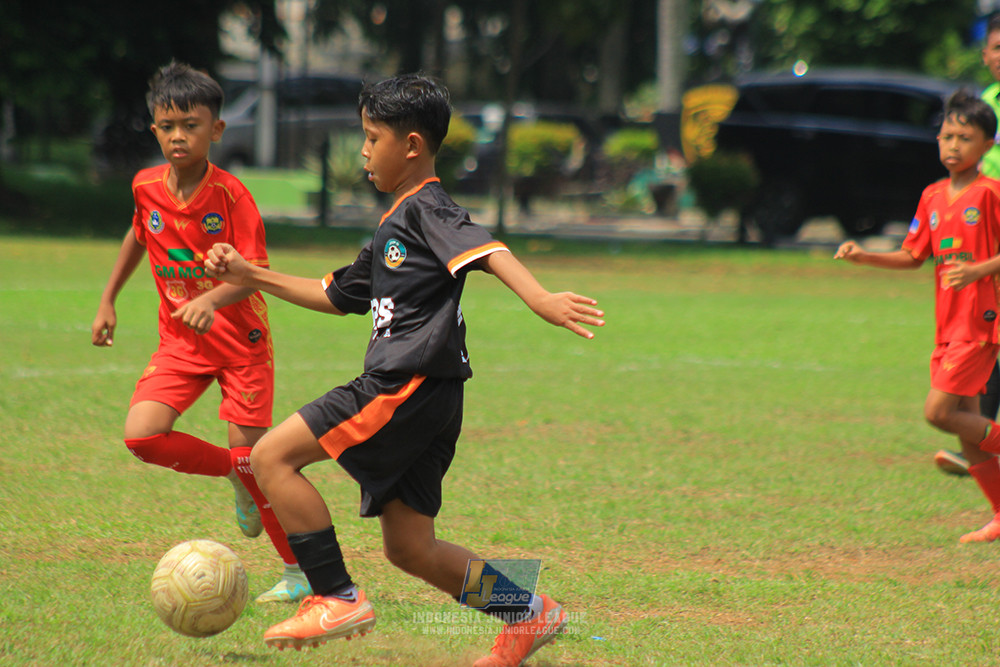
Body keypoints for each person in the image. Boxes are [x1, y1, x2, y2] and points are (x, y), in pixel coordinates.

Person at [203, 73, 605, 665]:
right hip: (431, 394)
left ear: (411, 145)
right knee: (411, 547)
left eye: (372, 138)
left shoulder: (427, 208)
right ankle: (527, 612)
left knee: (270, 457)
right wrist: (251, 274)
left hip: (403, 383)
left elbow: (488, 250)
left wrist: (540, 298)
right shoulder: (396, 221)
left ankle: (335, 595)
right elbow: (336, 294)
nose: (364, 151)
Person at [90, 61, 309, 603]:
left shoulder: (232, 196)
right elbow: (138, 236)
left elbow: (255, 269)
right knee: (143, 436)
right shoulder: (145, 186)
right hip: (181, 343)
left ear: (217, 130)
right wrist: (108, 299)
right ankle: (234, 473)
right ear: (154, 129)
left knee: (258, 462)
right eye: (168, 126)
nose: (178, 136)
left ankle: (297, 572)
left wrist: (211, 299)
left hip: (241, 345)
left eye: (191, 125)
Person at [835, 90, 1000, 543]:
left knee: (938, 412)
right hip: (947, 326)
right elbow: (913, 256)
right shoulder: (931, 196)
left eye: (965, 138)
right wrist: (864, 256)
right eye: (947, 136)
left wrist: (979, 270)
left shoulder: (991, 194)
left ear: (987, 145)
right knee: (968, 431)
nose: (953, 145)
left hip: (980, 322)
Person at [939, 12, 1000, 477]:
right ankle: (978, 441)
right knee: (984, 338)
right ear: (984, 55)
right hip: (987, 233)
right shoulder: (986, 105)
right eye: (997, 48)